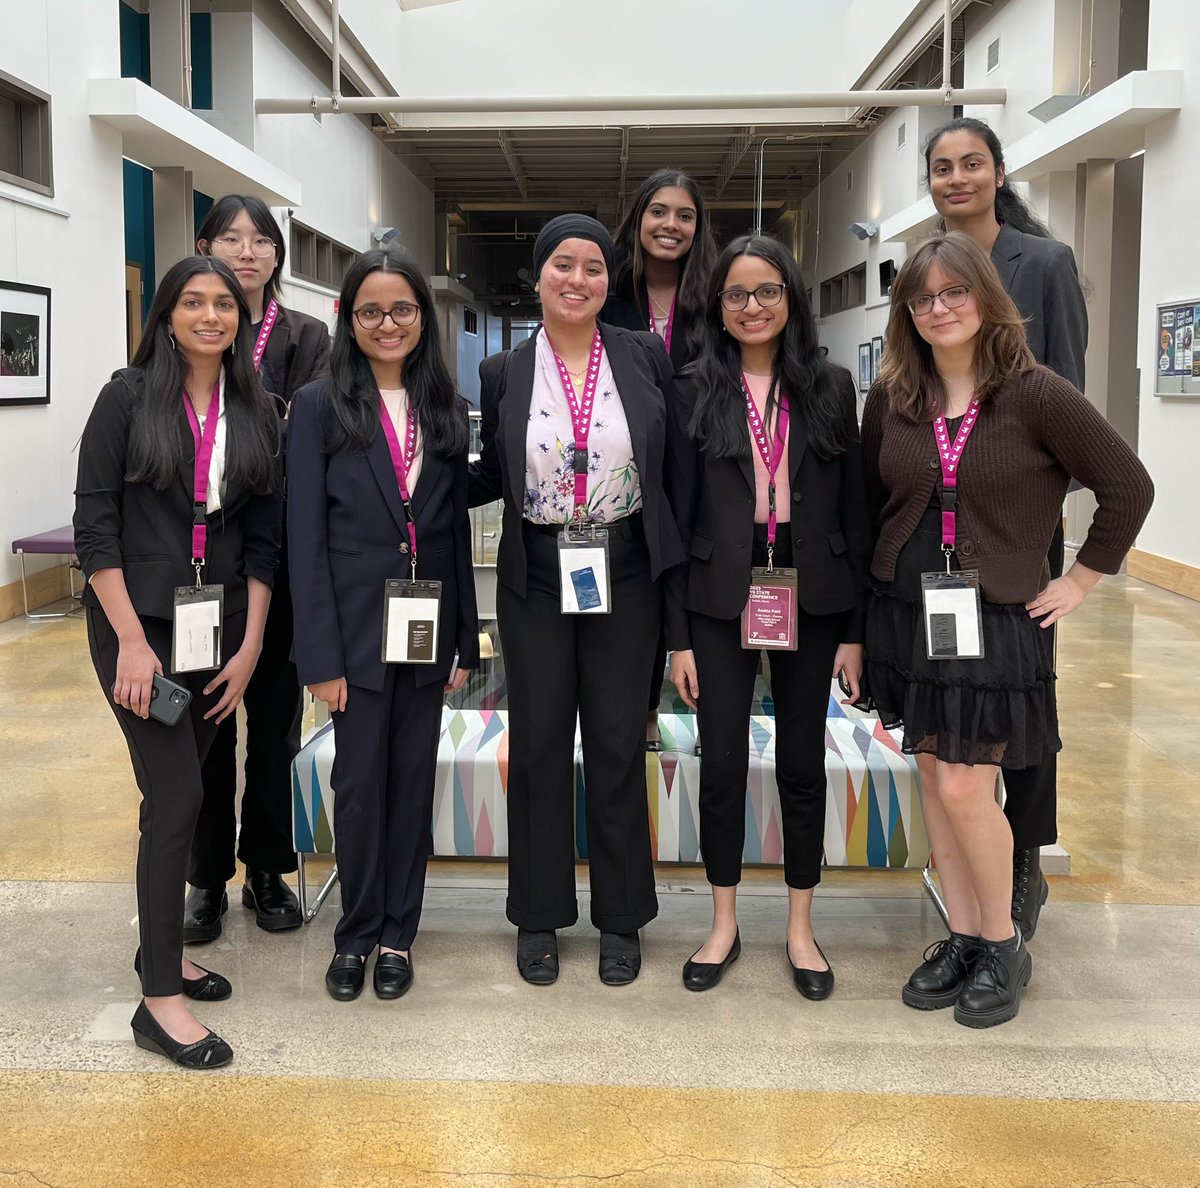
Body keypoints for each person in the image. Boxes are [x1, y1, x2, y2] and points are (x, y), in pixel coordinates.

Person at [860, 232, 1153, 1028]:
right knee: (931, 779)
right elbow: (866, 506)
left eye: (954, 292)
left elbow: (1127, 486)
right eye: (921, 299)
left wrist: (1082, 579)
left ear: (987, 297)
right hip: (906, 611)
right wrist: (858, 623)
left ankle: (1001, 943)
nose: (938, 309)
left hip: (994, 616)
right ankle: (959, 934)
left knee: (965, 783)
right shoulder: (893, 396)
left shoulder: (1035, 392)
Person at [74, 256, 282, 1067]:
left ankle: (156, 948)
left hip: (217, 631)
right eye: (192, 302)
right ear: (166, 316)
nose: (209, 315)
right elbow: (96, 528)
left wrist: (254, 641)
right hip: (139, 628)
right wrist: (129, 639)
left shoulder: (255, 408)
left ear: (240, 317)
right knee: (181, 791)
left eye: (222, 303)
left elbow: (263, 539)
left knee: (175, 801)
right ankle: (158, 1000)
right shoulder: (125, 398)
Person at [469, 214, 685, 987]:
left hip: (624, 570)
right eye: (563, 264)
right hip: (535, 573)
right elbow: (489, 475)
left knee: (620, 743)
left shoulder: (643, 356)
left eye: (594, 268)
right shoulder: (504, 372)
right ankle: (538, 915)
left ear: (608, 281)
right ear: (538, 277)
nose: (578, 279)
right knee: (537, 745)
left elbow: (672, 471)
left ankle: (621, 915)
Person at [665, 235, 869, 996]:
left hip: (810, 591)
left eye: (768, 292)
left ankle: (800, 926)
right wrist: (678, 637)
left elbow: (853, 507)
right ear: (717, 307)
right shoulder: (690, 388)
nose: (753, 308)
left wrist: (854, 628)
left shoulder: (830, 384)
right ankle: (723, 924)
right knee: (719, 764)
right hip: (720, 593)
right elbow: (679, 515)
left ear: (792, 298)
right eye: (737, 295)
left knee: (802, 764)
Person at [288, 248, 477, 1002]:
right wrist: (320, 657)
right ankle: (355, 932)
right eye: (371, 310)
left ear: (422, 319)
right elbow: (305, 539)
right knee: (359, 787)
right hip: (356, 636)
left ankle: (399, 932)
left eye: (403, 309)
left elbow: (452, 535)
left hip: (426, 629)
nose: (388, 323)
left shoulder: (444, 404)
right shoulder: (316, 404)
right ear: (349, 318)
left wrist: (463, 638)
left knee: (412, 785)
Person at [924, 118, 1089, 938]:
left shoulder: (1045, 264)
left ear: (997, 171)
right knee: (955, 708)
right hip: (941, 535)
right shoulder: (931, 270)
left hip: (1019, 532)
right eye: (942, 168)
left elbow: (1068, 403)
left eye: (972, 165)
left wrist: (1049, 541)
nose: (957, 179)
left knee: (1023, 704)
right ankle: (967, 864)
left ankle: (1023, 861)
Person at [185, 195, 331, 942]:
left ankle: (268, 870)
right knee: (203, 728)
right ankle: (205, 877)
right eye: (230, 239)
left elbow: (305, 428)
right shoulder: (189, 330)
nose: (247, 252)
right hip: (203, 565)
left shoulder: (306, 335)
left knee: (273, 728)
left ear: (278, 255)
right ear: (205, 244)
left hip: (281, 556)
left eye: (261, 241)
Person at [602, 169, 718, 751]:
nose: (670, 225)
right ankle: (642, 717)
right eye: (659, 211)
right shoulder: (609, 292)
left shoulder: (716, 298)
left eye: (685, 215)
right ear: (638, 218)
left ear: (698, 228)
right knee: (641, 595)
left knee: (701, 585)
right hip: (632, 467)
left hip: (703, 465)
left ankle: (712, 718)